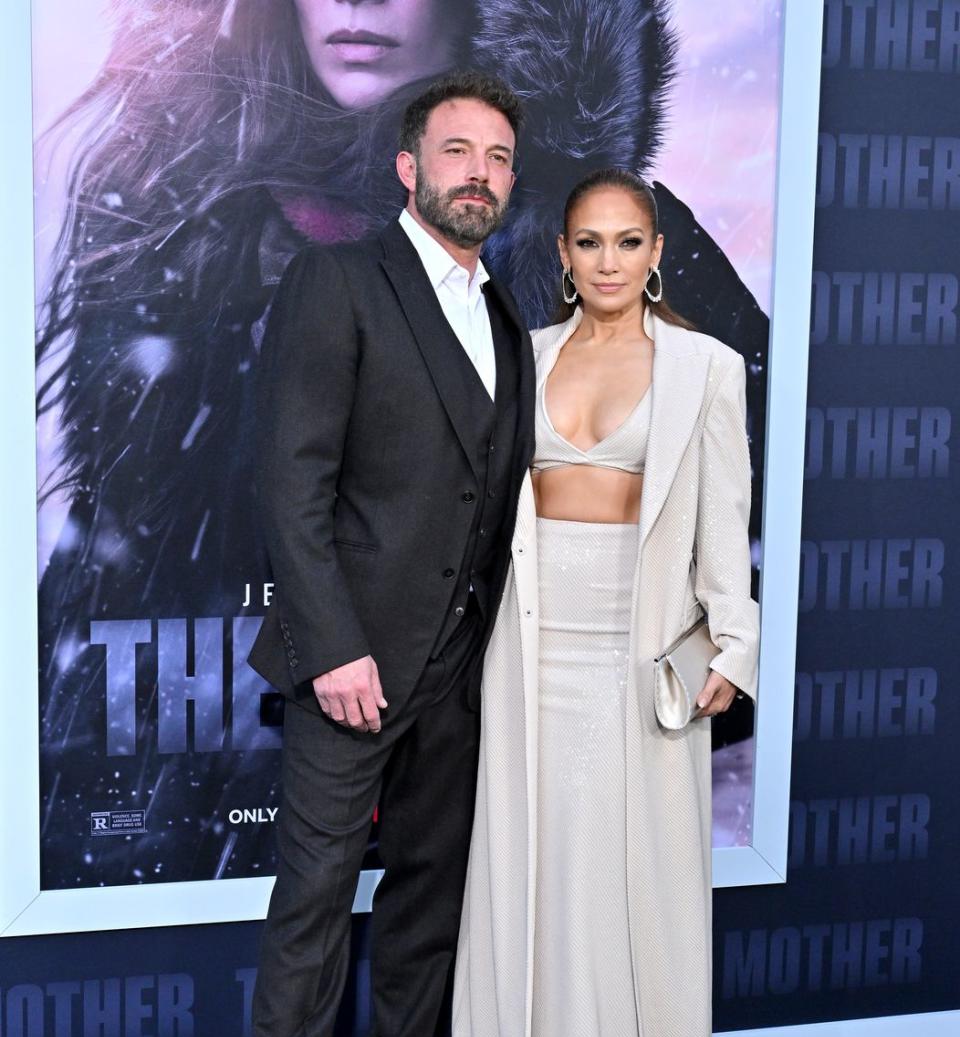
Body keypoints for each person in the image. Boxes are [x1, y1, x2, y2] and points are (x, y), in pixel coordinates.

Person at [36, 0, 763, 893]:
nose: (355, 4)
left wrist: (636, 688)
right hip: (214, 792)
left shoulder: (593, 237)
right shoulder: (178, 221)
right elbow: (116, 570)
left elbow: (741, 507)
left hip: (506, 786)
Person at [233, 71, 534, 1037]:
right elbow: (290, 484)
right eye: (456, 150)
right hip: (349, 670)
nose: (479, 172)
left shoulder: (508, 315)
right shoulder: (340, 281)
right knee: (311, 921)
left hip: (463, 673)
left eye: (499, 157)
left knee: (425, 903)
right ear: (407, 168)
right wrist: (336, 645)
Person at [452, 168, 760, 1037]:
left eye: (629, 242)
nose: (610, 262)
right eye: (590, 243)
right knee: (531, 880)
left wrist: (735, 642)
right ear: (564, 256)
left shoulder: (707, 370)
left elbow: (727, 524)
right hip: (523, 656)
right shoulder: (521, 360)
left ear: (659, 249)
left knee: (632, 886)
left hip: (639, 656)